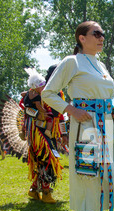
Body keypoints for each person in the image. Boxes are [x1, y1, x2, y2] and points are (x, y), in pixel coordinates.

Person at [42, 21, 114, 211]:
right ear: (82, 38)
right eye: (96, 33)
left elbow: (109, 95)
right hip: (86, 127)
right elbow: (48, 93)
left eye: (103, 34)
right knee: (96, 176)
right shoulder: (72, 62)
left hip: (105, 125)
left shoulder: (100, 65)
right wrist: (70, 110)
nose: (102, 37)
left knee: (102, 175)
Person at [22, 67, 66, 203]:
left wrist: (63, 133)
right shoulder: (35, 93)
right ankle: (46, 192)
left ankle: (34, 189)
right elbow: (25, 108)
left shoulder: (58, 93)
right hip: (38, 133)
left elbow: (61, 114)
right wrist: (37, 113)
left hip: (52, 132)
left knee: (44, 159)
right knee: (47, 158)